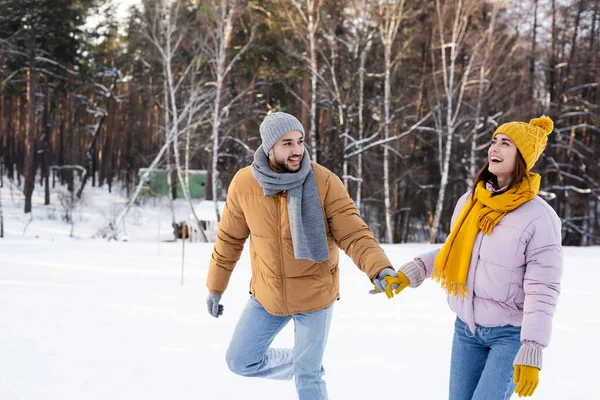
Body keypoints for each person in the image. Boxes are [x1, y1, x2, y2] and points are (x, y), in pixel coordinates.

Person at [205, 111, 398, 400]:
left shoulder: (324, 182)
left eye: (300, 141)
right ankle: (301, 360)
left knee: (309, 377)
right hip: (267, 294)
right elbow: (229, 239)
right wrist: (215, 287)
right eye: (287, 143)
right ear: (269, 147)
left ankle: (306, 365)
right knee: (240, 361)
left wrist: (379, 268)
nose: (297, 150)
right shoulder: (244, 184)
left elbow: (354, 233)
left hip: (314, 296)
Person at [376, 116, 563, 399]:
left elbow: (543, 288)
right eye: (493, 141)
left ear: (522, 156)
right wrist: (413, 271)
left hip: (509, 335)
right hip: (466, 329)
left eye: (505, 143)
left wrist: (532, 347)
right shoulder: (471, 200)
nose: (494, 149)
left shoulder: (540, 217)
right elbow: (455, 250)